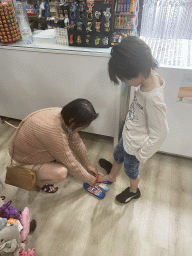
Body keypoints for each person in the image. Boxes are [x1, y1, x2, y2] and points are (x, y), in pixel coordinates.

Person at [99, 36, 169, 204]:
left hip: (136, 147)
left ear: (137, 71)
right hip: (129, 134)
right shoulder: (148, 77)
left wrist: (141, 155)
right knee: (117, 155)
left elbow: (161, 133)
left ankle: (133, 190)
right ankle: (112, 175)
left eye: (124, 79)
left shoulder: (153, 99)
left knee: (131, 171)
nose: (124, 82)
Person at [7, 99, 99, 193]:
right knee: (61, 172)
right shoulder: (54, 132)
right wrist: (90, 179)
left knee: (62, 158)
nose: (82, 129)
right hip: (21, 161)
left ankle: (40, 172)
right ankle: (38, 180)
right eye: (83, 127)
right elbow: (71, 163)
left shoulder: (63, 115)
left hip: (27, 149)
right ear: (72, 121)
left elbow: (76, 143)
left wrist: (88, 164)